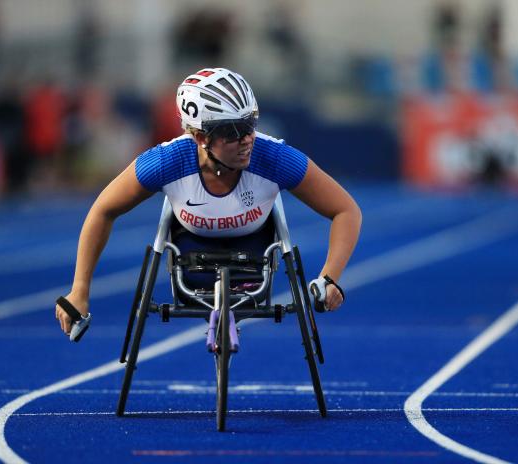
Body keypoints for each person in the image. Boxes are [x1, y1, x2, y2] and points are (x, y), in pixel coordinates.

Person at [55, 68, 362, 338]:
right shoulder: (167, 162)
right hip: (191, 254)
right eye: (232, 132)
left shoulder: (275, 158)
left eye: (250, 124)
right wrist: (80, 289)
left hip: (255, 253)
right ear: (201, 137)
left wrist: (330, 277)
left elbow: (345, 209)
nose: (247, 139)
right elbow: (103, 209)